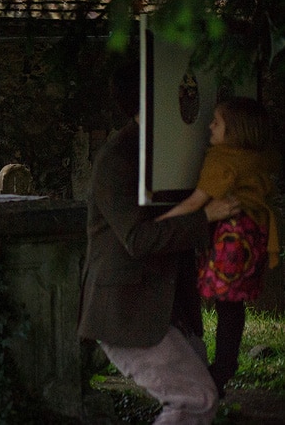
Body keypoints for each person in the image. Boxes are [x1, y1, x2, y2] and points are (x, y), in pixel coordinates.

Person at [78, 62, 241, 424]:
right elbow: (139, 239)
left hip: (168, 310)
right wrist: (206, 216)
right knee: (196, 400)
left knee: (201, 401)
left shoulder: (171, 149)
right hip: (128, 311)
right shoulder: (117, 159)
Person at [156, 97, 281, 394]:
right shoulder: (258, 156)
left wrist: (159, 223)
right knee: (232, 305)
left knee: (224, 302)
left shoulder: (222, 159)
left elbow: (195, 202)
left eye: (217, 122)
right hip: (255, 234)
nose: (209, 126)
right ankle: (224, 366)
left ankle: (220, 368)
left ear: (235, 130)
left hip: (232, 238)